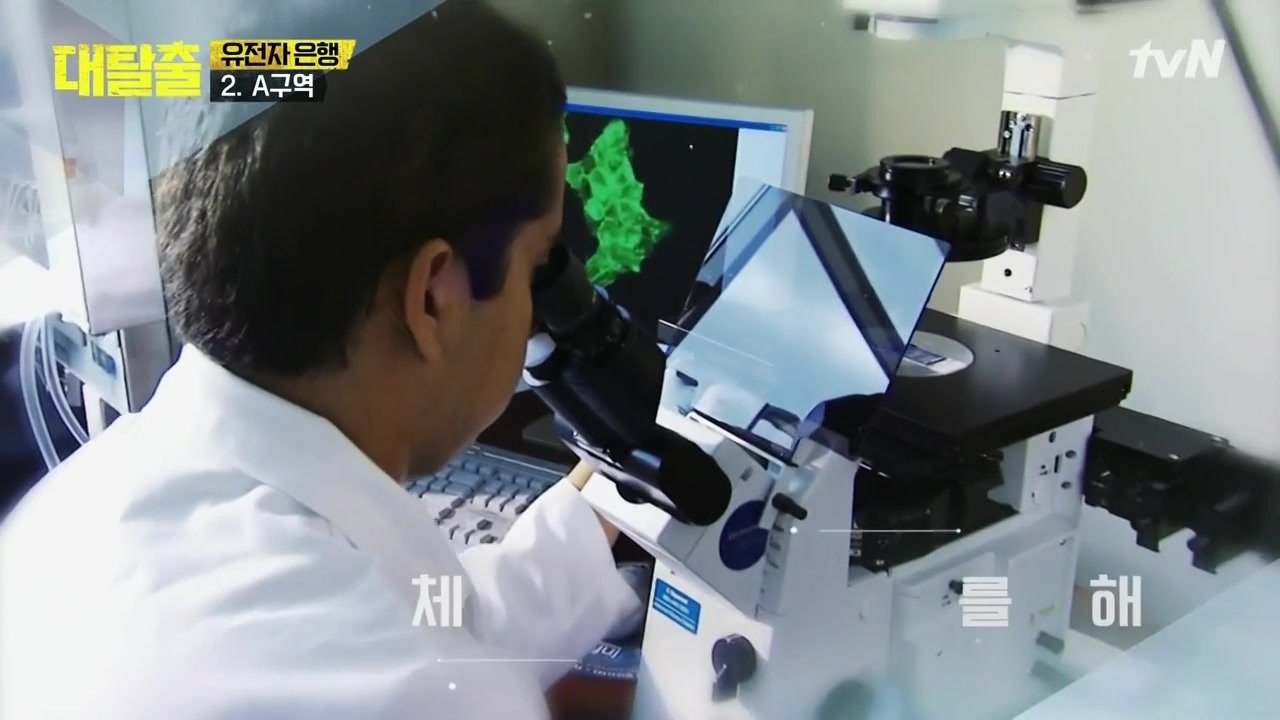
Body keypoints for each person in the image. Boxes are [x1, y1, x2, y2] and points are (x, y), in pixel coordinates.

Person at [0, 2, 642, 718]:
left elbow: (442, 617)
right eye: (538, 264)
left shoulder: (65, 520)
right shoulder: (420, 691)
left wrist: (610, 496)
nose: (540, 311)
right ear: (433, 298)